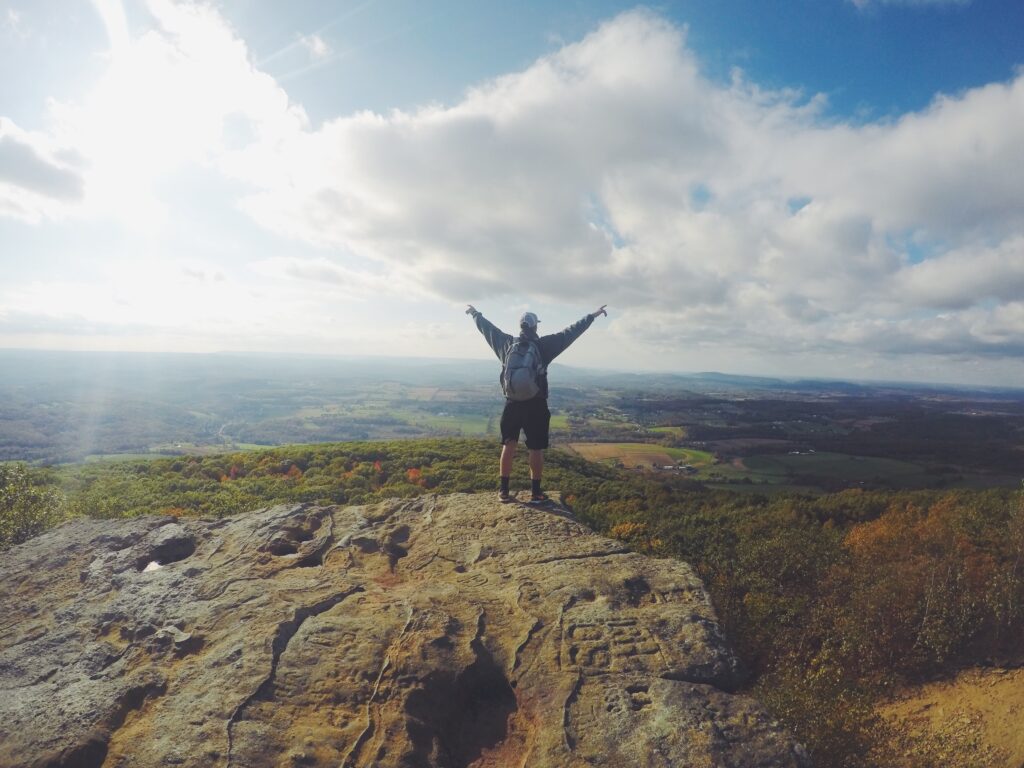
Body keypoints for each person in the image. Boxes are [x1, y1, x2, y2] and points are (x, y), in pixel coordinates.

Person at [465, 304, 607, 503]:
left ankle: (504, 491)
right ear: (535, 327)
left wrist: (474, 313)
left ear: (521, 326)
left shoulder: (506, 344)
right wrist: (592, 316)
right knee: (535, 448)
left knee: (508, 445)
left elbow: (487, 329)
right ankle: (536, 493)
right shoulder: (543, 346)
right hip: (536, 405)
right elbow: (570, 333)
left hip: (512, 403)